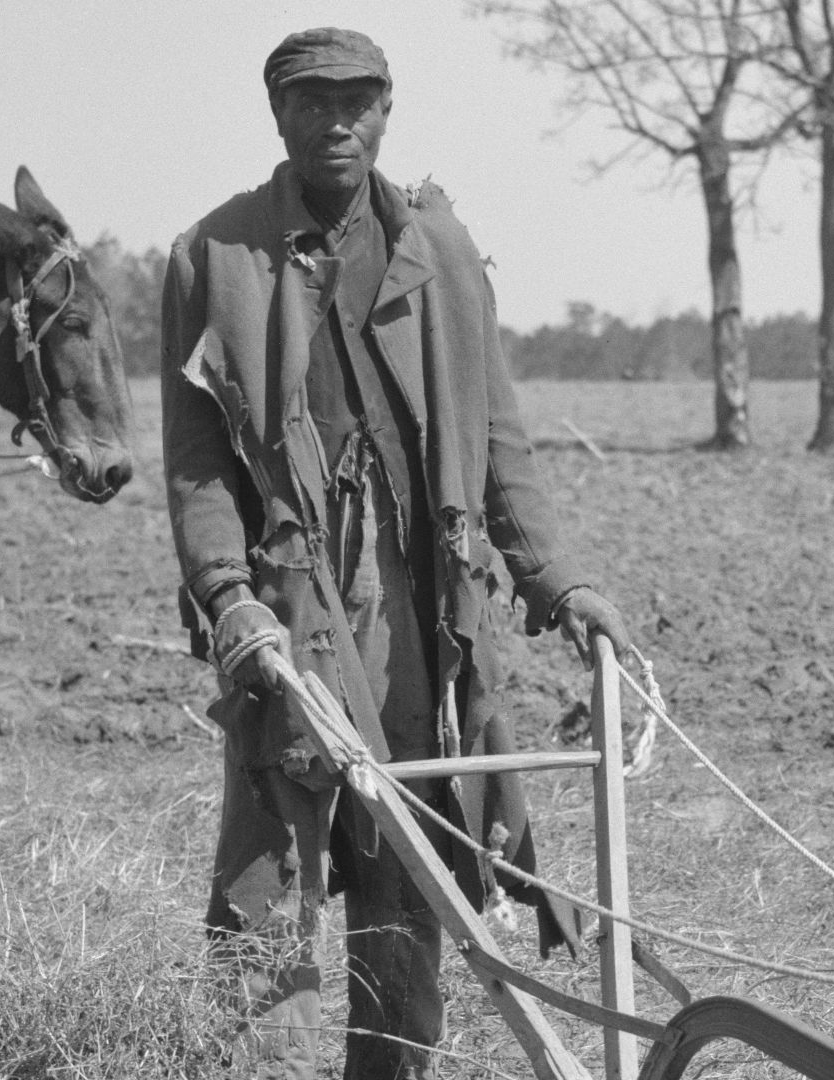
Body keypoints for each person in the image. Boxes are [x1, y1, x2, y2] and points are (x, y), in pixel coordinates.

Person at [160, 27, 634, 1080]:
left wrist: (558, 578)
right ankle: (257, 1065)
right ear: (277, 115)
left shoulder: (441, 249)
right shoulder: (216, 255)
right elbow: (197, 466)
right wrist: (229, 596)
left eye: (360, 100)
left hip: (428, 598)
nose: (339, 121)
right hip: (295, 599)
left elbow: (494, 432)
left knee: (411, 855)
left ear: (387, 111)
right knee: (274, 859)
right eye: (314, 101)